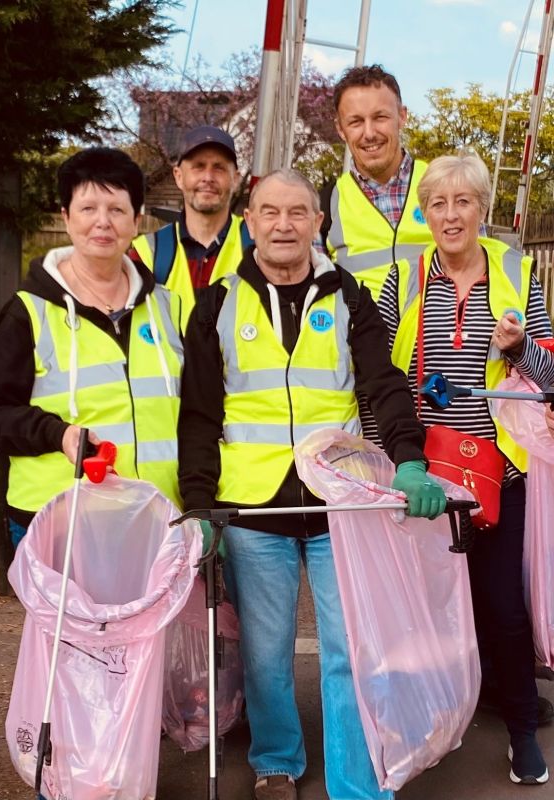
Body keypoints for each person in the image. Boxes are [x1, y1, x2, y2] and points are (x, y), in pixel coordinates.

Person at [178, 167, 446, 800]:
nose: (283, 225)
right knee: (267, 655)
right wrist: (198, 503)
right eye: (270, 212)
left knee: (348, 648)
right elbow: (197, 413)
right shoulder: (217, 304)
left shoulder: (349, 295)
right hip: (252, 507)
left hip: (338, 500)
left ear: (318, 222)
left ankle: (357, 775)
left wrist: (408, 457)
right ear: (250, 221)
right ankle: (277, 761)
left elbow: (382, 384)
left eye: (297, 212)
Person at [376, 151, 554, 786]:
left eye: (463, 202)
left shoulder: (516, 271)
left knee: (503, 606)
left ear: (482, 208)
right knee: (423, 607)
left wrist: (520, 347)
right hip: (426, 473)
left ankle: (522, 726)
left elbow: (552, 377)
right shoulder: (405, 278)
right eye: (438, 204)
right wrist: (390, 463)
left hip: (499, 473)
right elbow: (382, 379)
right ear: (425, 213)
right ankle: (429, 722)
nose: (450, 216)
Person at [0, 147, 183, 543]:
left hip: (155, 517)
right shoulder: (28, 312)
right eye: (88, 208)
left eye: (117, 210)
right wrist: (57, 434)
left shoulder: (169, 308)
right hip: (59, 519)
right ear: (66, 217)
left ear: (136, 221)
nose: (103, 222)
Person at [321, 65, 434, 301]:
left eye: (380, 117)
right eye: (356, 122)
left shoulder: (443, 185)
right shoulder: (325, 204)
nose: (369, 133)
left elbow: (480, 270)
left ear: (402, 116)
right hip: (359, 337)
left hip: (435, 338)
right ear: (340, 129)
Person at [130, 124, 250, 330]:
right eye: (198, 166)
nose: (208, 178)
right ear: (178, 176)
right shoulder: (147, 254)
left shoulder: (258, 245)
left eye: (219, 168)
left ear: (236, 179)